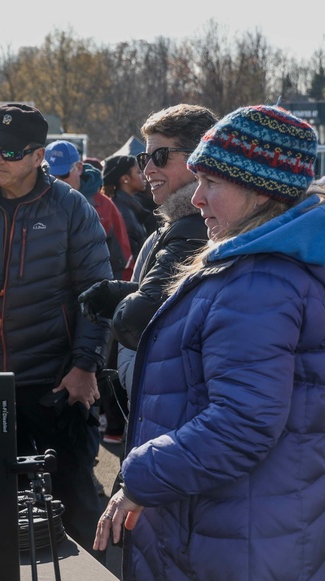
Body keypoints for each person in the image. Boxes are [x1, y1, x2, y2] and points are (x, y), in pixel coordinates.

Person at [95, 105, 325, 581]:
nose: (197, 200)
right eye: (197, 179)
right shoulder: (308, 259)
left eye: (212, 183)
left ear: (264, 193)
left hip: (246, 539)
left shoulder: (262, 278)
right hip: (295, 518)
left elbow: (243, 423)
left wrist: (140, 475)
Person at [0, 103, 112, 555]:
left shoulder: (72, 208)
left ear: (38, 156)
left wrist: (85, 367)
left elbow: (97, 294)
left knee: (74, 500)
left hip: (56, 383)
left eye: (9, 152)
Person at [79, 105, 217, 393]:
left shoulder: (198, 229)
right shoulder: (177, 223)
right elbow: (173, 303)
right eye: (145, 158)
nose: (148, 169)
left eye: (161, 157)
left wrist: (123, 302)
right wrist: (120, 293)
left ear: (199, 158)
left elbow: (139, 318)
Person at [46, 140, 131, 279]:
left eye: (63, 174)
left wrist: (114, 296)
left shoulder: (104, 206)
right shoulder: (34, 204)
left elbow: (124, 260)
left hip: (95, 293)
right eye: (49, 175)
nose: (55, 181)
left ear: (79, 168)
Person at [102, 154, 154, 262]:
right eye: (138, 172)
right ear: (125, 179)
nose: (144, 176)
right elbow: (131, 258)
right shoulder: (124, 213)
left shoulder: (129, 205)